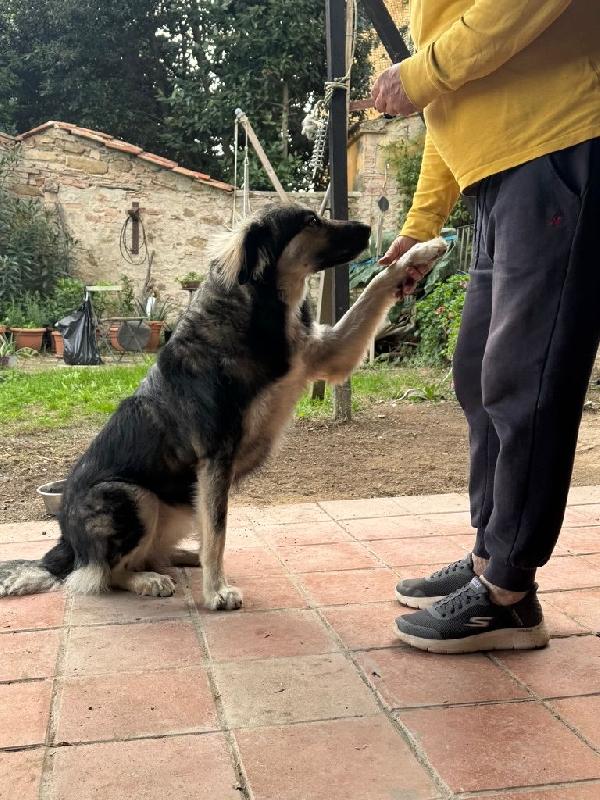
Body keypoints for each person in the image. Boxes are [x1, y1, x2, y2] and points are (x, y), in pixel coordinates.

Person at [371, 0, 600, 654]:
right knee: (478, 371)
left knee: (525, 379)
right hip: (500, 178)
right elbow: (450, 105)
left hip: (559, 142)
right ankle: (486, 556)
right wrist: (421, 222)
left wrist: (420, 75)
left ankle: (509, 591)